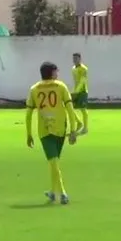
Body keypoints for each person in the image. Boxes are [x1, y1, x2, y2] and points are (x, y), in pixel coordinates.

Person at [25, 61, 79, 204]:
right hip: (60, 128)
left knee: (53, 162)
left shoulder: (34, 89)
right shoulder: (61, 86)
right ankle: (59, 193)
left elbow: (28, 113)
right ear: (52, 72)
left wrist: (29, 133)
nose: (58, 73)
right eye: (56, 71)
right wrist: (73, 130)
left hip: (44, 130)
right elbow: (70, 109)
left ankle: (58, 192)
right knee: (54, 162)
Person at [71, 52, 89, 135]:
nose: (74, 60)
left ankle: (85, 128)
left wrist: (76, 91)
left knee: (83, 109)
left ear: (80, 59)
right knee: (69, 107)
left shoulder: (84, 69)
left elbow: (82, 81)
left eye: (76, 58)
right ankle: (79, 122)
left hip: (82, 91)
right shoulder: (73, 68)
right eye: (73, 58)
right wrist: (74, 91)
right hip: (75, 91)